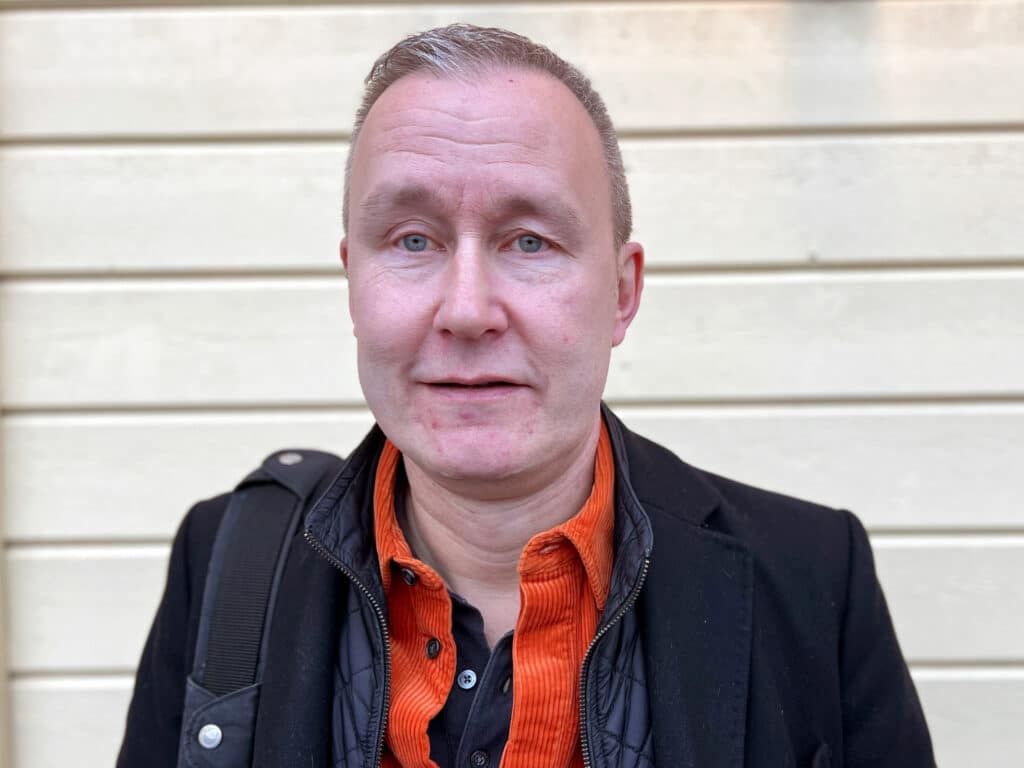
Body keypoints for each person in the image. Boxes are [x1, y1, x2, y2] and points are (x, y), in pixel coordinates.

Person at [118, 24, 935, 768]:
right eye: (412, 240)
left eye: (530, 241)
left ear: (621, 293)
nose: (468, 310)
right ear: (353, 282)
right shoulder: (227, 564)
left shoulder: (812, 579)